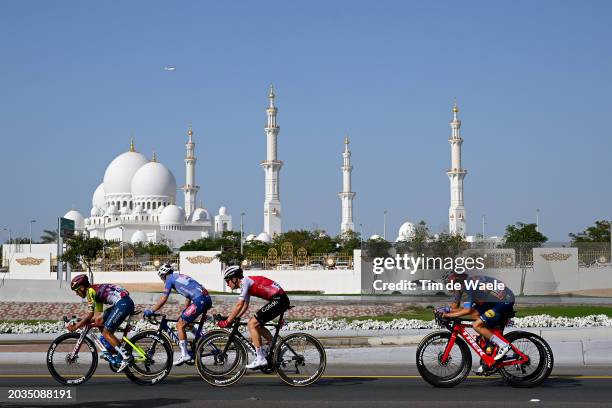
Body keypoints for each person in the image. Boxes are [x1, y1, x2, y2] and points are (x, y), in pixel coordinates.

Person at [218, 265, 290, 369]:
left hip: (278, 299)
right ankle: (278, 346)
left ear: (234, 278)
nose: (227, 284)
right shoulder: (246, 284)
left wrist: (228, 321)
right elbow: (245, 306)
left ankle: (260, 358)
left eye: (228, 281)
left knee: (251, 324)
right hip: (279, 299)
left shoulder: (245, 282)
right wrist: (234, 318)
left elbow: (239, 305)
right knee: (257, 325)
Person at [144, 263, 212, 366]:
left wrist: (152, 310)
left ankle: (185, 355)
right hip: (204, 298)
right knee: (186, 323)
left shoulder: (170, 279)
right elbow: (188, 295)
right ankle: (203, 340)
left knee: (180, 325)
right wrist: (185, 310)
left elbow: (163, 298)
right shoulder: (180, 276)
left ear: (164, 274)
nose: (162, 280)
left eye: (162, 277)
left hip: (200, 300)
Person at [441, 272, 515, 363]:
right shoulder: (460, 288)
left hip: (504, 300)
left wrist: (448, 314)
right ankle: (490, 347)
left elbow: (466, 310)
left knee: (476, 325)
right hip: (492, 302)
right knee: (474, 314)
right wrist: (444, 310)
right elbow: (454, 308)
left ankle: (503, 345)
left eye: (449, 285)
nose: (449, 288)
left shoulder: (469, 285)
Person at [69, 274, 135, 372]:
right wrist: (80, 321)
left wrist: (76, 327)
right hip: (124, 302)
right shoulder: (96, 290)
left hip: (123, 303)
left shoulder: (89, 291)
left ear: (82, 288)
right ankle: (113, 347)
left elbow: (90, 314)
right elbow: (97, 316)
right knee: (99, 320)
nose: (76, 294)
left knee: (106, 332)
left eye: (76, 291)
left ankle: (126, 355)